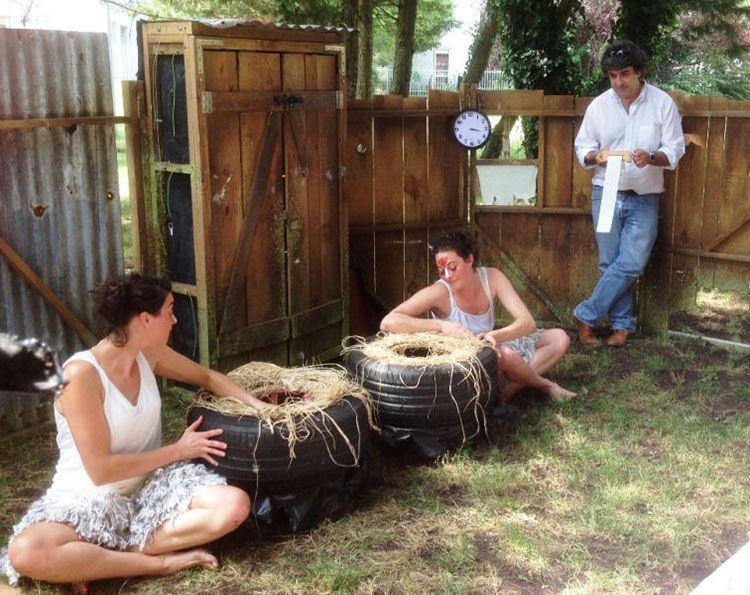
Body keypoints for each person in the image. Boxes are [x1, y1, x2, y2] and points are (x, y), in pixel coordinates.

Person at [1, 273, 271, 593]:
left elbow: (209, 377)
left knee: (234, 506)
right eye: (169, 311)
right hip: (90, 499)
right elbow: (102, 471)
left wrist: (265, 410)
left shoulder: (148, 353)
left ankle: (102, 558)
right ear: (145, 319)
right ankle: (156, 562)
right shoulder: (81, 376)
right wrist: (179, 450)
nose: (173, 320)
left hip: (151, 489)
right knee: (27, 552)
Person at [573, 39, 685, 347]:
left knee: (633, 262)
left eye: (624, 74)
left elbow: (675, 149)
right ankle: (622, 327)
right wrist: (596, 156)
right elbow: (582, 146)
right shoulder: (599, 106)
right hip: (607, 189)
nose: (618, 82)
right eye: (612, 75)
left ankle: (587, 313)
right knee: (610, 262)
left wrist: (650, 157)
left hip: (645, 193)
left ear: (639, 72)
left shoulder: (662, 103)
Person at [380, 231, 576, 403]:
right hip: (468, 365)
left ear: (469, 260)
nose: (447, 275)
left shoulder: (492, 277)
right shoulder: (439, 291)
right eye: (441, 270)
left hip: (491, 345)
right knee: (505, 355)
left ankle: (512, 387)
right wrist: (440, 326)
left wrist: (496, 336)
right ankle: (545, 385)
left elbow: (527, 323)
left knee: (560, 338)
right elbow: (388, 322)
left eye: (452, 267)